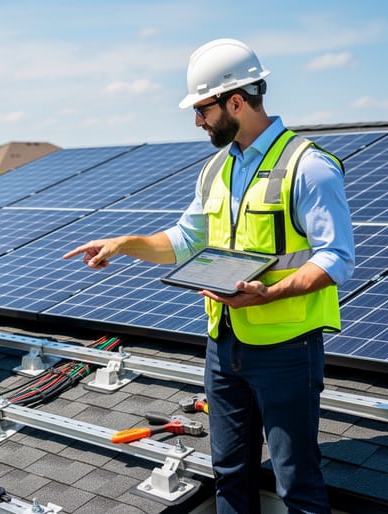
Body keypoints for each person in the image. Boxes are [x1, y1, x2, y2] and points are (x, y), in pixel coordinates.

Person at [64, 38, 354, 513]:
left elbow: (336, 259)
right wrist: (123, 243)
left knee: (297, 482)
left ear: (236, 101)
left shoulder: (308, 166)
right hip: (223, 345)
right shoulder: (216, 169)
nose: (198, 121)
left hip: (287, 349)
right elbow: (185, 239)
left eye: (202, 110)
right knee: (230, 474)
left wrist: (268, 294)